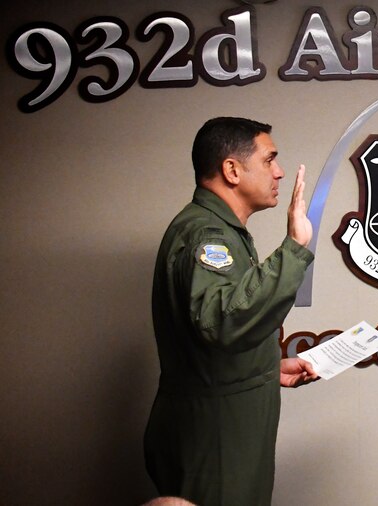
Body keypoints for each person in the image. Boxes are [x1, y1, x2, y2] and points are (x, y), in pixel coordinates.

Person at [144, 117, 321, 506]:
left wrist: (268, 368)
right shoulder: (207, 236)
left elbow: (213, 334)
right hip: (215, 438)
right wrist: (294, 247)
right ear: (231, 170)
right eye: (269, 159)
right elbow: (223, 321)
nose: (279, 171)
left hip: (224, 429)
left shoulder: (220, 230)